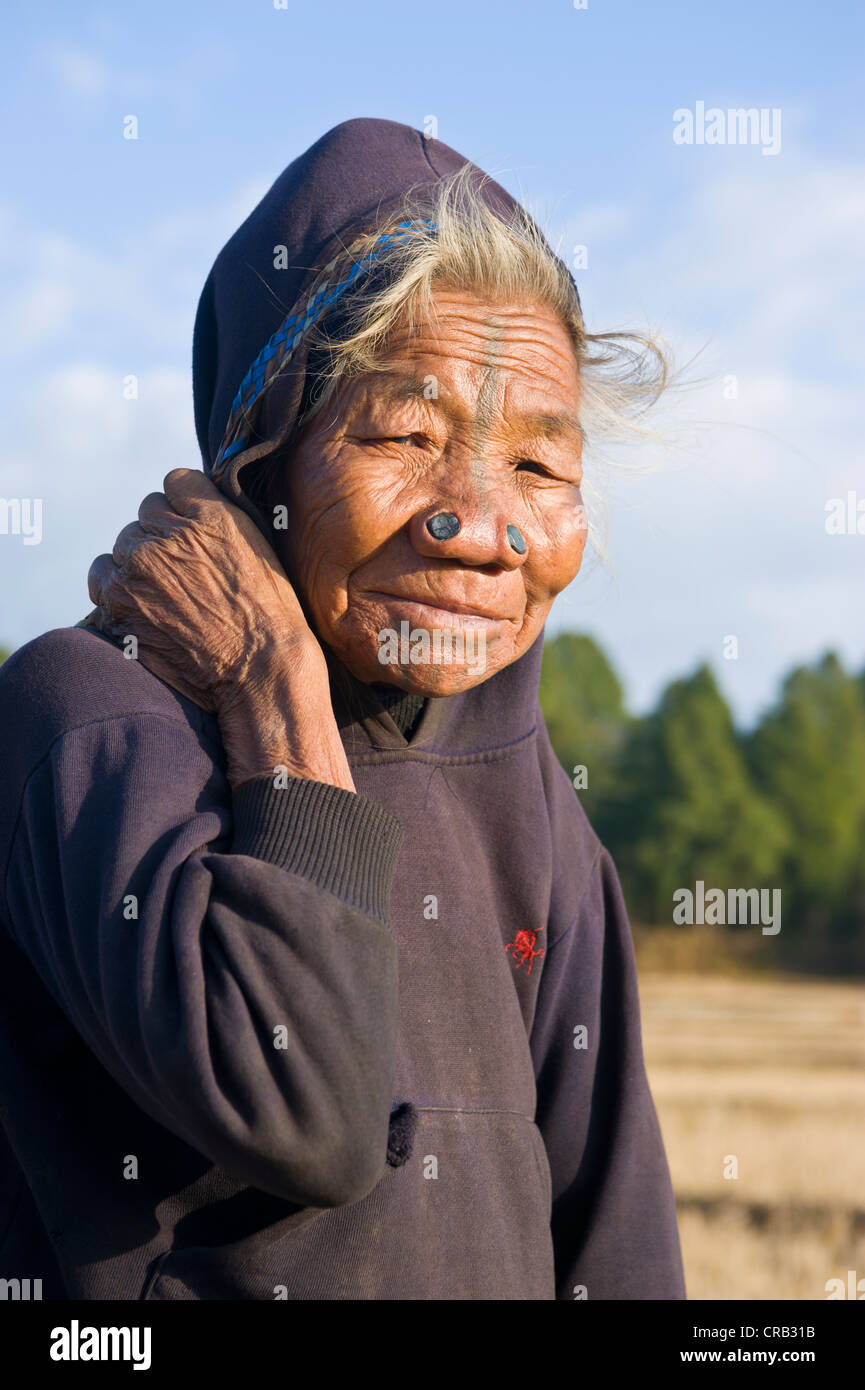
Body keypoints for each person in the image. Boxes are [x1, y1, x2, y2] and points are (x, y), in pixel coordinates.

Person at [0, 118, 685, 1300]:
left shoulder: (527, 790)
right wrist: (270, 682)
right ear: (258, 459)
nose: (480, 527)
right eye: (406, 435)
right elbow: (304, 1114)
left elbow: (616, 1233)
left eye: (539, 467)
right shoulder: (90, 721)